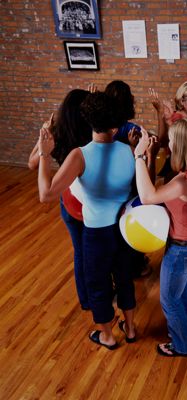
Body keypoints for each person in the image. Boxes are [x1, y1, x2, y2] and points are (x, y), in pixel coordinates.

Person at [37, 91, 137, 350]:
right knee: (125, 277)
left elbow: (46, 195)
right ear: (115, 124)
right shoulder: (129, 150)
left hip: (97, 232)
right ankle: (131, 328)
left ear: (88, 120)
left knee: (98, 283)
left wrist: (45, 155)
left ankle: (106, 336)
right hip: (124, 229)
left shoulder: (79, 155)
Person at [134, 118, 187, 357]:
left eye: (172, 142)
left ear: (184, 146)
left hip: (180, 250)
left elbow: (147, 196)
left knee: (169, 300)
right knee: (184, 292)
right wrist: (150, 155)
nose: (169, 145)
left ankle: (182, 345)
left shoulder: (183, 181)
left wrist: (138, 156)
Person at [28, 89, 92, 310]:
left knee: (81, 251)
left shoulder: (57, 133)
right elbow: (34, 166)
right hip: (87, 201)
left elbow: (32, 163)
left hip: (70, 199)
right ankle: (93, 296)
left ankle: (87, 299)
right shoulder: (90, 135)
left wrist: (43, 139)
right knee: (91, 251)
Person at [104, 80, 156, 278]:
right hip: (131, 184)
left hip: (112, 188)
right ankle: (135, 263)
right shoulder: (130, 129)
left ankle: (122, 265)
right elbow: (154, 141)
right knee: (131, 222)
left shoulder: (103, 129)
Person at [149, 81, 187, 181]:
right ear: (181, 101)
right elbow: (166, 142)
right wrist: (165, 118)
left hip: (186, 164)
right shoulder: (177, 117)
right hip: (178, 166)